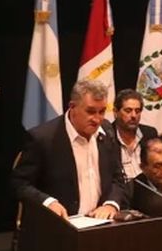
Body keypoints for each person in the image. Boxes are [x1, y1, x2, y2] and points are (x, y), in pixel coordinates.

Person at [11, 79, 126, 219]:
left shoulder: (107, 131)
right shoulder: (44, 138)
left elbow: (117, 178)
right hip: (59, 223)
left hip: (99, 223)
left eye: (101, 112)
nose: (97, 119)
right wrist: (48, 202)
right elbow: (20, 183)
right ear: (72, 107)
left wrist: (111, 204)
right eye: (90, 112)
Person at [113, 88, 158, 181]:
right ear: (115, 112)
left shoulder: (149, 134)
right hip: (120, 189)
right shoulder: (107, 137)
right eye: (128, 110)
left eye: (137, 111)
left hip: (148, 188)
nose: (134, 115)